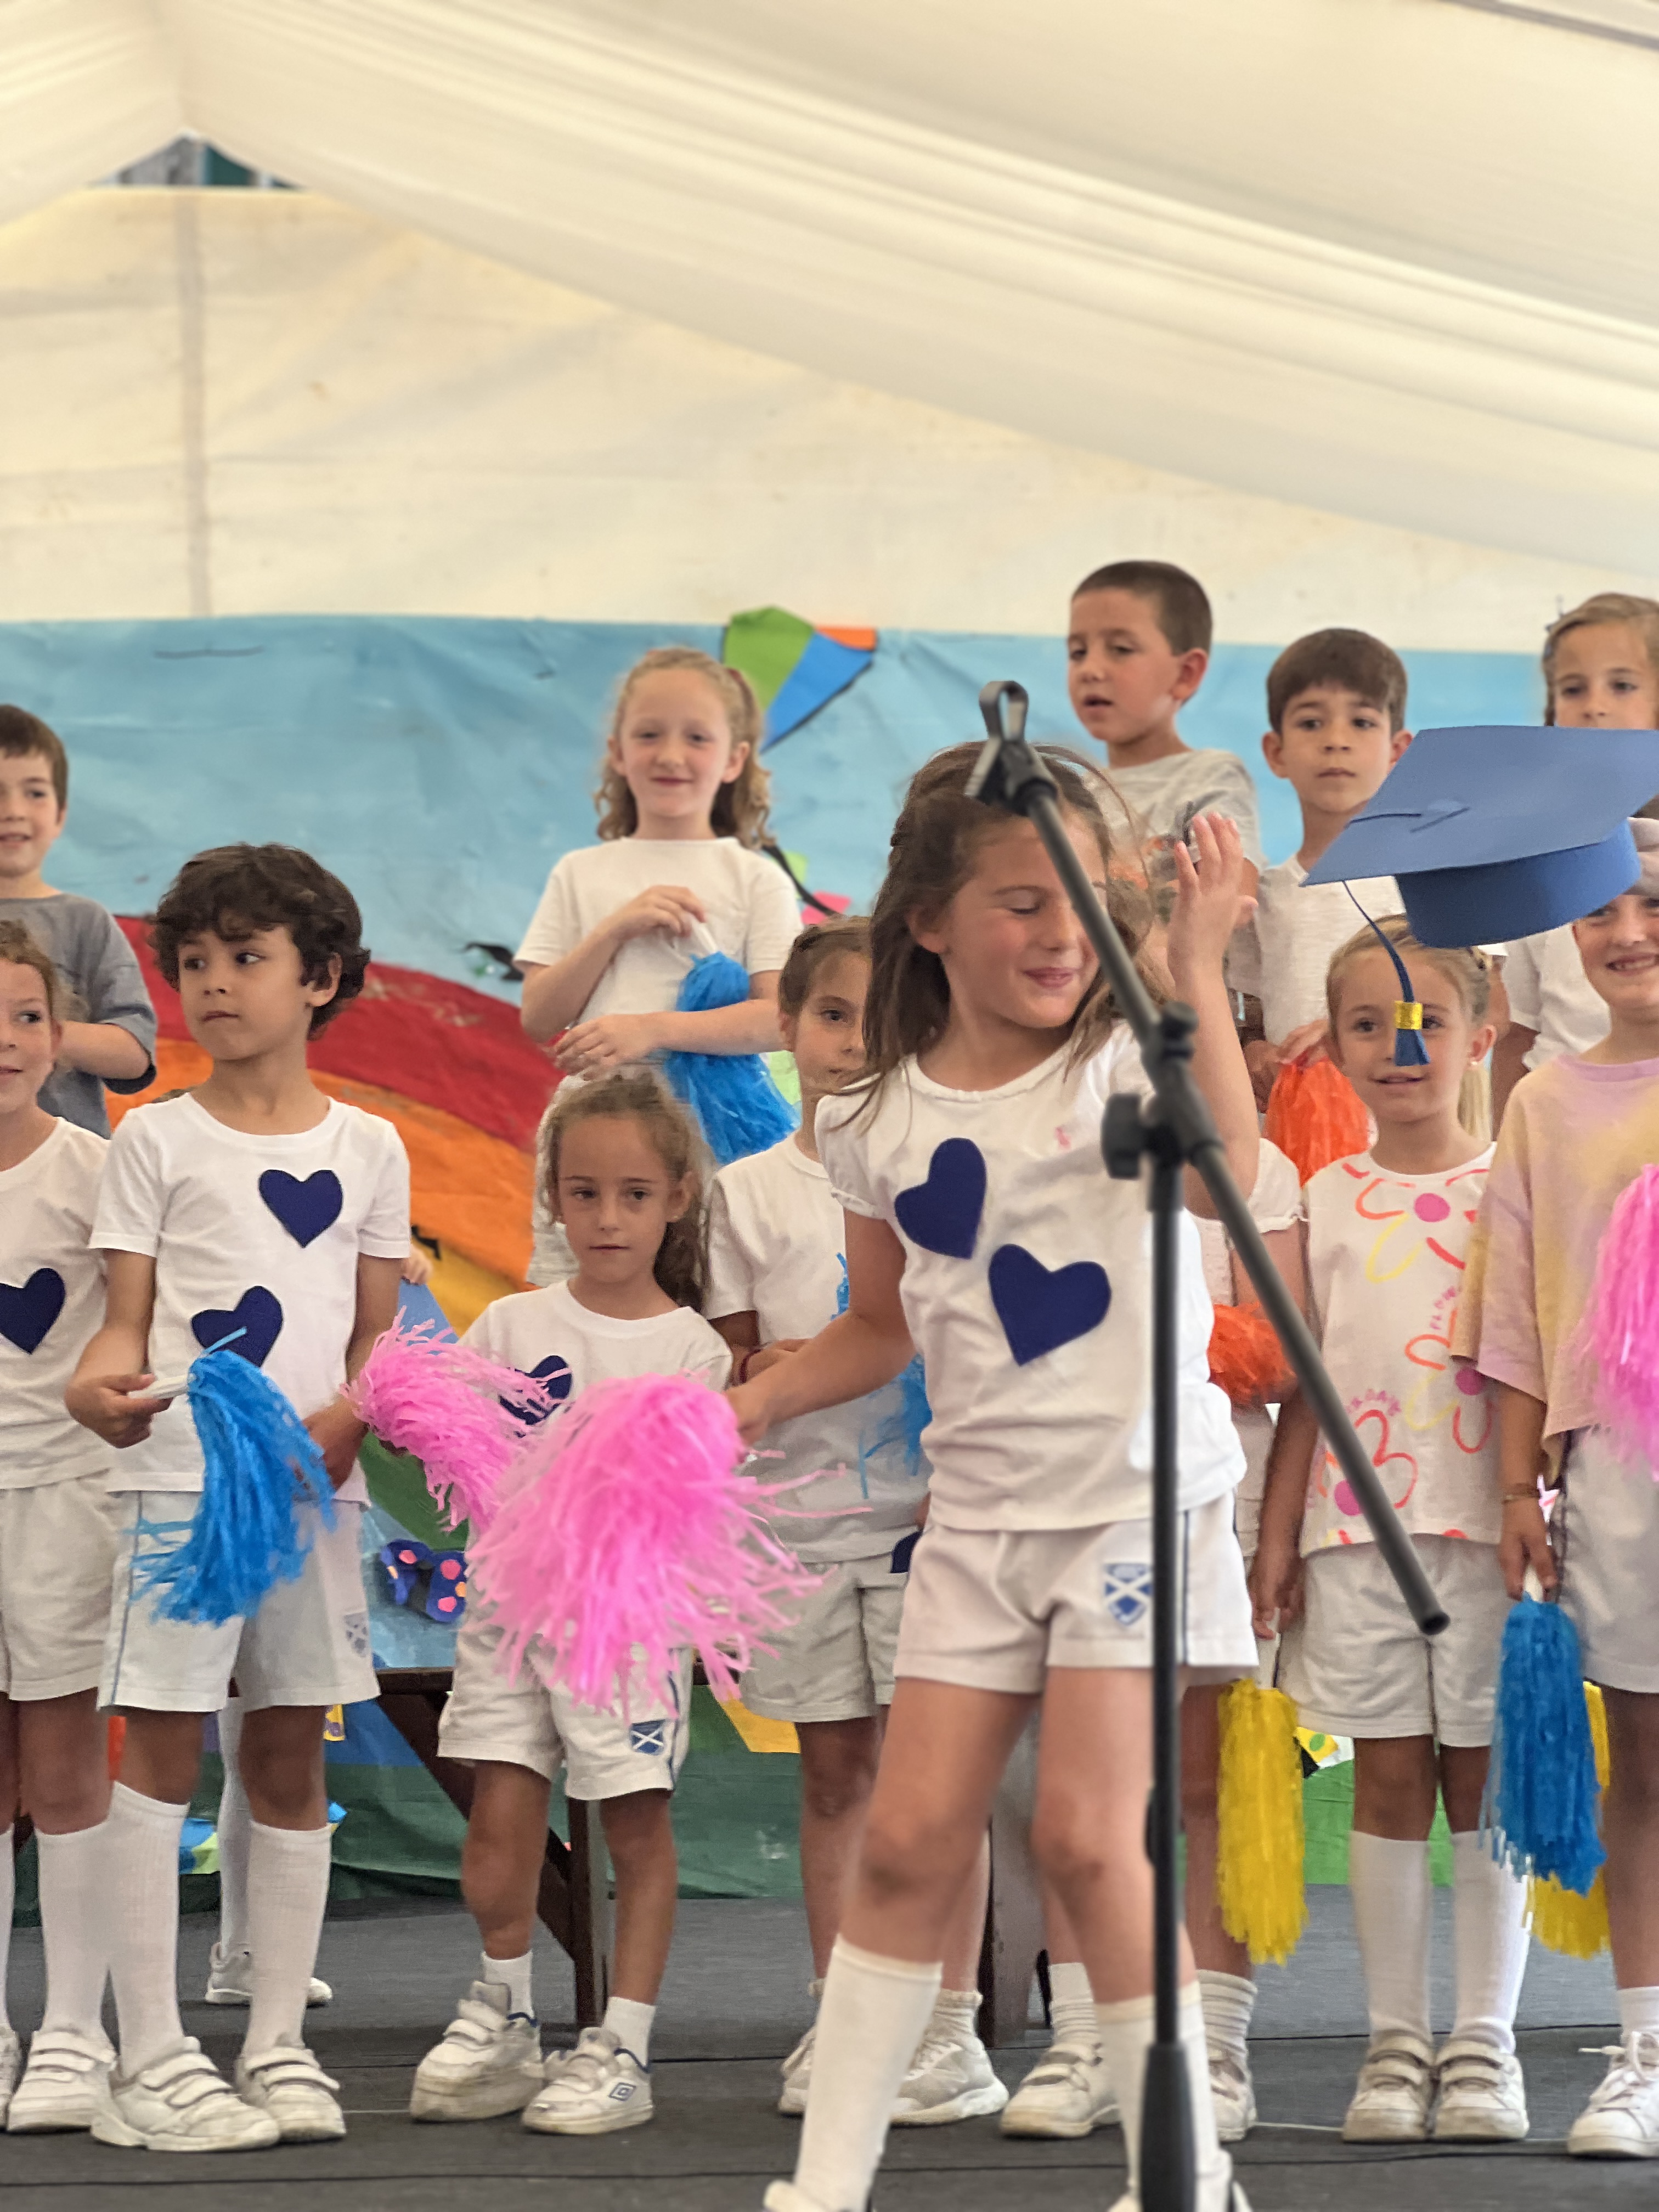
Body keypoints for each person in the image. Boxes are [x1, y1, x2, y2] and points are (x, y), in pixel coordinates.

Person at [730, 745, 1261, 2212]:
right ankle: (823, 2188)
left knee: (1089, 1835)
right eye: (1023, 901)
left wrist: (1195, 971)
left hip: (1133, 1506)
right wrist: (755, 1399)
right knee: (905, 1842)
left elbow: (1225, 1177)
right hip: (974, 1523)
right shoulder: (871, 1121)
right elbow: (878, 1323)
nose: (1059, 931)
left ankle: (1187, 2181)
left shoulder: (1123, 1068)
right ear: (928, 922)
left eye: (1085, 899)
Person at [66, 844, 410, 2152]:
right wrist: (98, 1386)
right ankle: (149, 2052)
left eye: (246, 957)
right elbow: (125, 1322)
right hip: (176, 1485)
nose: (213, 983)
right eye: (194, 961)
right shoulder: (152, 1137)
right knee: (159, 1742)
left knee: (285, 1748)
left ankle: (277, 2045)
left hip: (311, 1496)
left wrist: (347, 1422)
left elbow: (379, 1339)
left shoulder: (370, 1147)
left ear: (320, 978)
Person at [706, 917, 999, 2127]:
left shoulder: (940, 1162)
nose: (853, 1044)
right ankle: (843, 2014)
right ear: (786, 1028)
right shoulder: (745, 1191)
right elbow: (733, 1363)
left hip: (933, 1523)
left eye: (879, 1022)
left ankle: (945, 2022)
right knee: (836, 1776)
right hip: (802, 1529)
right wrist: (766, 1375)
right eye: (831, 1016)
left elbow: (956, 1333)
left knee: (941, 1781)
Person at [1251, 919, 1528, 2143]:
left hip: (1483, 1536)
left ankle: (1484, 2042)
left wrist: (1533, 1508)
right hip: (1355, 1538)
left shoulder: (1513, 1187)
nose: (1398, 1047)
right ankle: (1394, 2040)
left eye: (1424, 1023)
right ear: (1334, 1046)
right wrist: (1276, 1539)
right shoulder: (1323, 1197)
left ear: (1481, 1034)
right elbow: (1305, 1389)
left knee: (1482, 1783)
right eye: (1367, 1024)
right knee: (1388, 1778)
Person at [411, 1068, 729, 2135]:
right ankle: (505, 2015)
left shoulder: (692, 1350)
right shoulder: (507, 1325)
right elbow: (450, 1444)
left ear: (676, 1198)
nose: (607, 1217)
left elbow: (692, 1504)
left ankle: (623, 2048)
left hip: (625, 1629)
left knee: (635, 1827)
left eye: (633, 1195)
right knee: (495, 1830)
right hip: (507, 1615)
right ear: (553, 1196)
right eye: (584, 1193)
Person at [1002, 1139, 1303, 2146]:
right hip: (1077, 1499)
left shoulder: (1249, 1171)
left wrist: (1273, 1536)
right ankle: (1087, 2034)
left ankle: (1213, 2043)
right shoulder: (1040, 1144)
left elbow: (1287, 1356)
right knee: (1085, 1785)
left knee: (1207, 1780)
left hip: (1218, 1499)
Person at [1456, 868, 1659, 2158]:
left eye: (1658, 905)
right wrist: (1518, 1485)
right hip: (1620, 1473)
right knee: (1647, 1763)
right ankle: (1646, 2052)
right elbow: (1519, 1307)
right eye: (1602, 911)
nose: (1629, 934)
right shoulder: (1545, 1100)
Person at [515, 647, 800, 1283]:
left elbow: (781, 1020)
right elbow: (539, 1016)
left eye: (697, 738)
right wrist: (615, 928)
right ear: (617, 752)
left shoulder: (756, 880)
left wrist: (651, 1029)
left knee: (712, 1287)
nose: (671, 755)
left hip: (706, 1123)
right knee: (578, 1289)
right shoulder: (579, 873)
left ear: (734, 759)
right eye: (649, 735)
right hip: (594, 1120)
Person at [0, 924, 119, 2133]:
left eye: (27, 1016)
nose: (5, 1040)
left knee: (66, 1765)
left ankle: (76, 2030)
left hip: (67, 1501)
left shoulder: (97, 1173)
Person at [1492, 594, 1659, 1127]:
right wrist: (1504, 1150)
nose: (1594, 706)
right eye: (1573, 689)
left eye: (1622, 685)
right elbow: (1519, 1029)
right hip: (1561, 1126)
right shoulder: (1534, 850)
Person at [1227, 630, 1412, 1106]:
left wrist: (1358, 1031)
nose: (1335, 741)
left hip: (1402, 1134)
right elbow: (1252, 1016)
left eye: (1362, 722)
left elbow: (1481, 1010)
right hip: (1292, 1132)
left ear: (1398, 750)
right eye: (1311, 723)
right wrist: (1254, 1050)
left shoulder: (1429, 884)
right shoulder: (1261, 899)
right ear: (1276, 752)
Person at [1065, 560, 1262, 900]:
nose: (1090, 669)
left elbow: (1227, 895)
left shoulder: (1208, 776)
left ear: (1186, 674)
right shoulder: (1072, 796)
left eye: (1121, 649)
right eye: (1078, 652)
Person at [0, 706, 155, 1132]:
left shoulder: (86, 922)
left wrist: (34, 1033)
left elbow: (134, 1053)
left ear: (60, 815)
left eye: (34, 792)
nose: (14, 810)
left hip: (69, 1166)